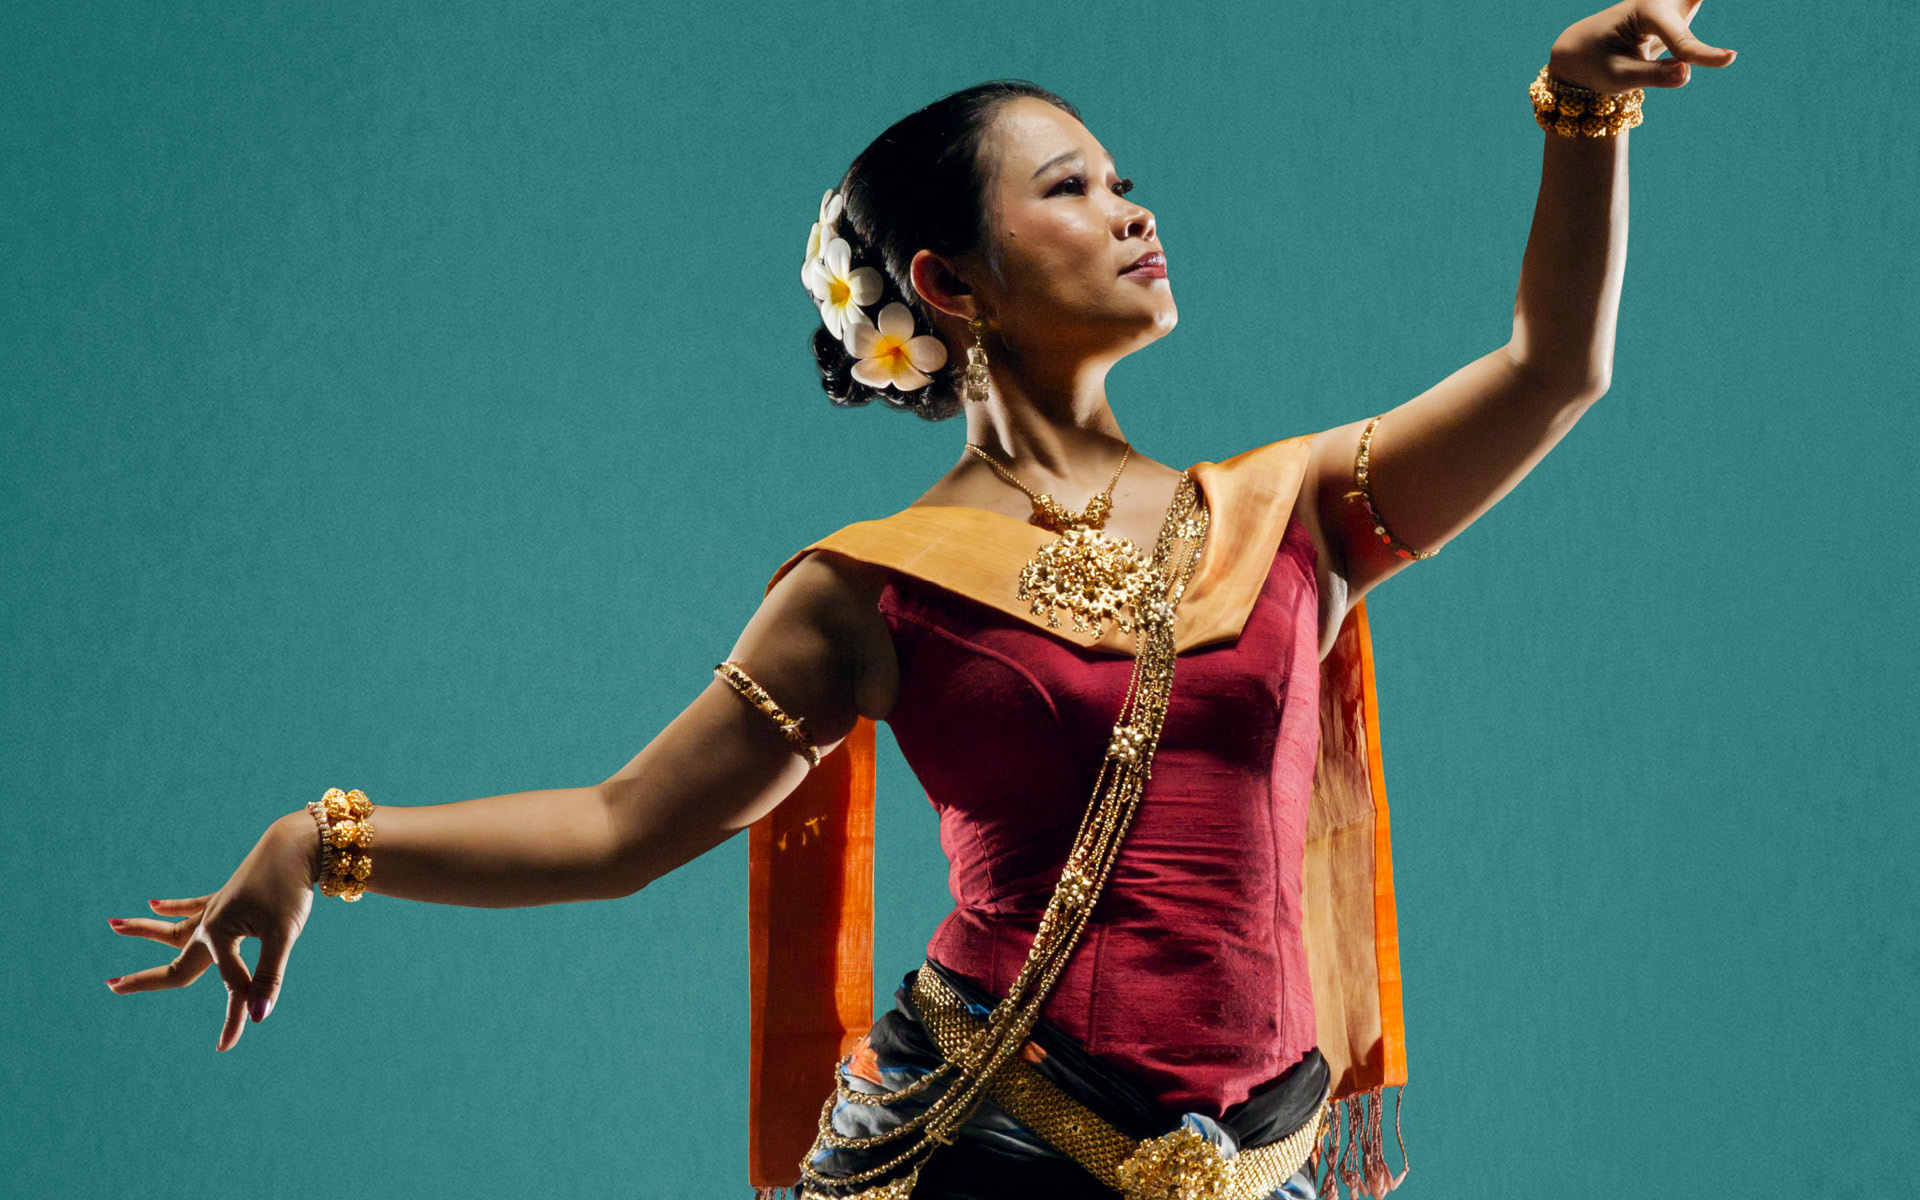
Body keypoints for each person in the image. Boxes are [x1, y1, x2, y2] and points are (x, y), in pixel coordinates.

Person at [104, 6, 1736, 1197]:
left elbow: (1553, 370)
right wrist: (326, 845)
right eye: (1073, 189)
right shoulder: (868, 590)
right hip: (993, 1143)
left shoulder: (1283, 508)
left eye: (1123, 181)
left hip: (1273, 1163)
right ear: (949, 285)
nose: (1132, 211)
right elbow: (621, 830)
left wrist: (1580, 117)